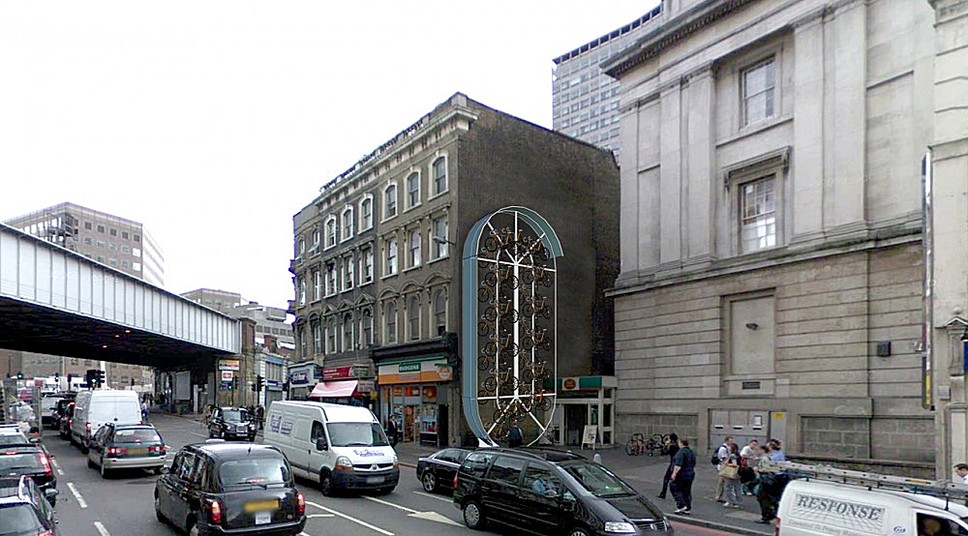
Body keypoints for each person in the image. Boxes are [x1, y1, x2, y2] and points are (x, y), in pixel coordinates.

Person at [669, 437, 697, 515]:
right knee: (687, 491)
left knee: (674, 487)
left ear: (681, 443)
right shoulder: (691, 452)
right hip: (690, 473)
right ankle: (687, 508)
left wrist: (674, 474)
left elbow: (678, 465)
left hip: (682, 474)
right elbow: (694, 463)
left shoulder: (681, 452)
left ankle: (681, 505)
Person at [657, 433, 679, 499]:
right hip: (679, 464)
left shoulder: (672, 447)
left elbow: (664, 452)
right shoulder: (678, 445)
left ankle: (663, 493)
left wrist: (665, 445)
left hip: (673, 464)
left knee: (666, 478)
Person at [714, 436, 735, 502]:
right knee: (722, 482)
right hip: (723, 467)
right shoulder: (723, 448)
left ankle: (720, 496)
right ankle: (719, 496)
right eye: (730, 441)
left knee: (723, 482)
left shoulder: (728, 447)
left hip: (724, 466)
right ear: (726, 441)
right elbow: (724, 458)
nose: (731, 442)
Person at [722, 442, 743, 508]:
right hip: (738, 473)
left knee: (728, 487)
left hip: (732, 473)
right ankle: (738, 501)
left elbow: (734, 464)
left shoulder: (732, 456)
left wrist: (727, 464)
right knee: (737, 487)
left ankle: (730, 501)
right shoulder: (738, 455)